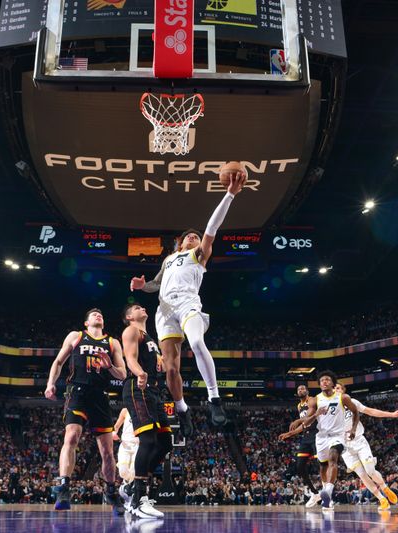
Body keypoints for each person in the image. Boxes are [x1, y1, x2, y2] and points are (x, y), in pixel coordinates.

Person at [130, 165, 248, 436]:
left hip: (187, 304)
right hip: (164, 310)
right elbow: (156, 284)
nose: (195, 238)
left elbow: (212, 226)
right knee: (171, 369)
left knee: (195, 341)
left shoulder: (199, 255)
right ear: (180, 243)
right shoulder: (169, 259)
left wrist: (230, 194)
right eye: (189, 237)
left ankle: (215, 399)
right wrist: (142, 285)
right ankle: (183, 410)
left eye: (197, 237)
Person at [44, 308, 128, 514]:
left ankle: (110, 491)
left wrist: (109, 367)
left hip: (100, 395)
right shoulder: (76, 336)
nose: (98, 315)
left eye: (101, 314)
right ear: (86, 323)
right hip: (78, 391)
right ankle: (64, 487)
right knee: (71, 437)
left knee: (107, 452)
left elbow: (123, 373)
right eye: (93, 314)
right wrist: (50, 384)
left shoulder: (113, 342)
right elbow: (58, 361)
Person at [120, 302, 174, 518]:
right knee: (149, 440)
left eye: (143, 306)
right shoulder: (132, 330)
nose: (142, 308)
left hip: (154, 391)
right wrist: (141, 373)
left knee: (165, 442)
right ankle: (138, 500)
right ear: (129, 317)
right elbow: (130, 358)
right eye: (136, 308)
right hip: (137, 386)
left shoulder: (150, 337)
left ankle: (134, 486)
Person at [333, 383, 398, 511]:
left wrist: (391, 414)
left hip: (359, 440)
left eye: (338, 388)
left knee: (370, 470)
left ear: (343, 391)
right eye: (333, 388)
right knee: (362, 475)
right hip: (345, 447)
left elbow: (370, 411)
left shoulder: (351, 402)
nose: (335, 390)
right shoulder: (329, 409)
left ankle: (384, 487)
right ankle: (381, 499)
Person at [300, 371, 360, 511]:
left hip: (337, 435)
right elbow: (306, 423)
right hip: (321, 437)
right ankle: (327, 493)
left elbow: (355, 412)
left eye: (327, 380)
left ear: (333, 383)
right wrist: (316, 414)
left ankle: (328, 493)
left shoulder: (343, 397)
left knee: (333, 457)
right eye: (322, 380)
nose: (324, 382)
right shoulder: (315, 400)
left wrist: (353, 429)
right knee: (322, 466)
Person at [280, 385, 320, 508]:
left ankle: (327, 493)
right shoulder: (299, 406)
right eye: (298, 389)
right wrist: (289, 433)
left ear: (307, 391)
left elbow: (310, 415)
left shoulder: (312, 400)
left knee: (320, 464)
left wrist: (298, 421)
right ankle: (315, 493)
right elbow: (304, 424)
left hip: (317, 434)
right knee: (300, 466)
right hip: (306, 436)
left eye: (303, 389)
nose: (301, 390)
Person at [113, 407, 138, 506]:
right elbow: (116, 426)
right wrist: (114, 432)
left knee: (134, 471)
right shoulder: (125, 410)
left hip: (138, 444)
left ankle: (130, 494)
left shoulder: (145, 408)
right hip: (125, 444)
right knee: (122, 471)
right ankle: (125, 485)